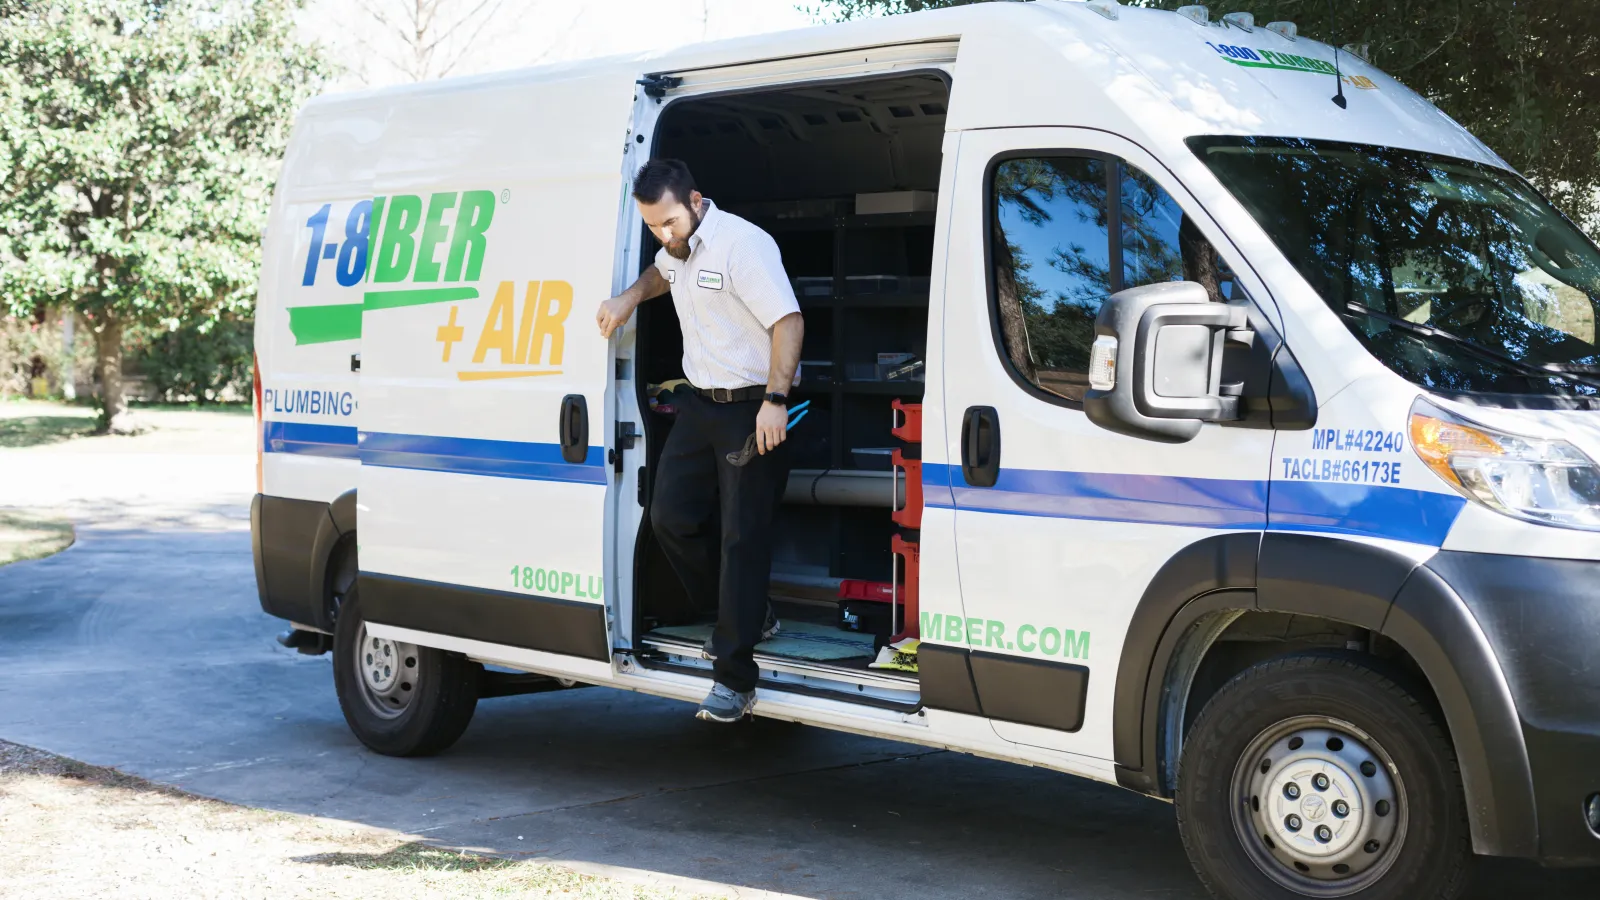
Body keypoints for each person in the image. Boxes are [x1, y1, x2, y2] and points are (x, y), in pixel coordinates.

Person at [597, 159, 804, 723]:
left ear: (695, 201)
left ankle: (734, 680)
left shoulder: (742, 246)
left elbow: (788, 321)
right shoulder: (678, 247)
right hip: (698, 405)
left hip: (752, 409)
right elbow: (661, 273)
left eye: (669, 222)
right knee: (668, 515)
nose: (664, 236)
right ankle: (746, 613)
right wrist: (627, 299)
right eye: (652, 228)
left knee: (743, 537)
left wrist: (776, 401)